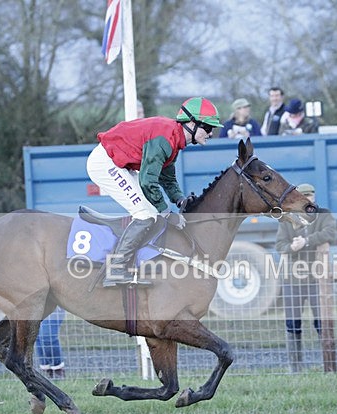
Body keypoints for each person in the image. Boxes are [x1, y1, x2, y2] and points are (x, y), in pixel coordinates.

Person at [86, 97, 224, 287]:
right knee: (146, 214)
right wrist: (167, 213)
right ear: (192, 123)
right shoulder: (165, 138)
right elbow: (148, 181)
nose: (211, 133)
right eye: (208, 127)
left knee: (150, 212)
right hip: (105, 163)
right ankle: (116, 269)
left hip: (118, 163)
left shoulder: (174, 139)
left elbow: (166, 178)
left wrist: (180, 200)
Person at [275, 183, 337, 372]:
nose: (308, 199)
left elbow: (331, 233)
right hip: (292, 280)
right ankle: (295, 368)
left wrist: (306, 241)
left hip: (318, 279)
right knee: (293, 324)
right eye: (304, 196)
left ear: (314, 196)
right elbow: (280, 245)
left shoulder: (324, 214)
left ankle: (329, 366)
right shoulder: (287, 219)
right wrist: (291, 248)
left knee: (322, 322)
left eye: (310, 195)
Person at [36, 307, 66, 379]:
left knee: (47, 335)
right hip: (34, 303)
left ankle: (58, 370)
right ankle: (47, 372)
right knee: (37, 336)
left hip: (53, 302)